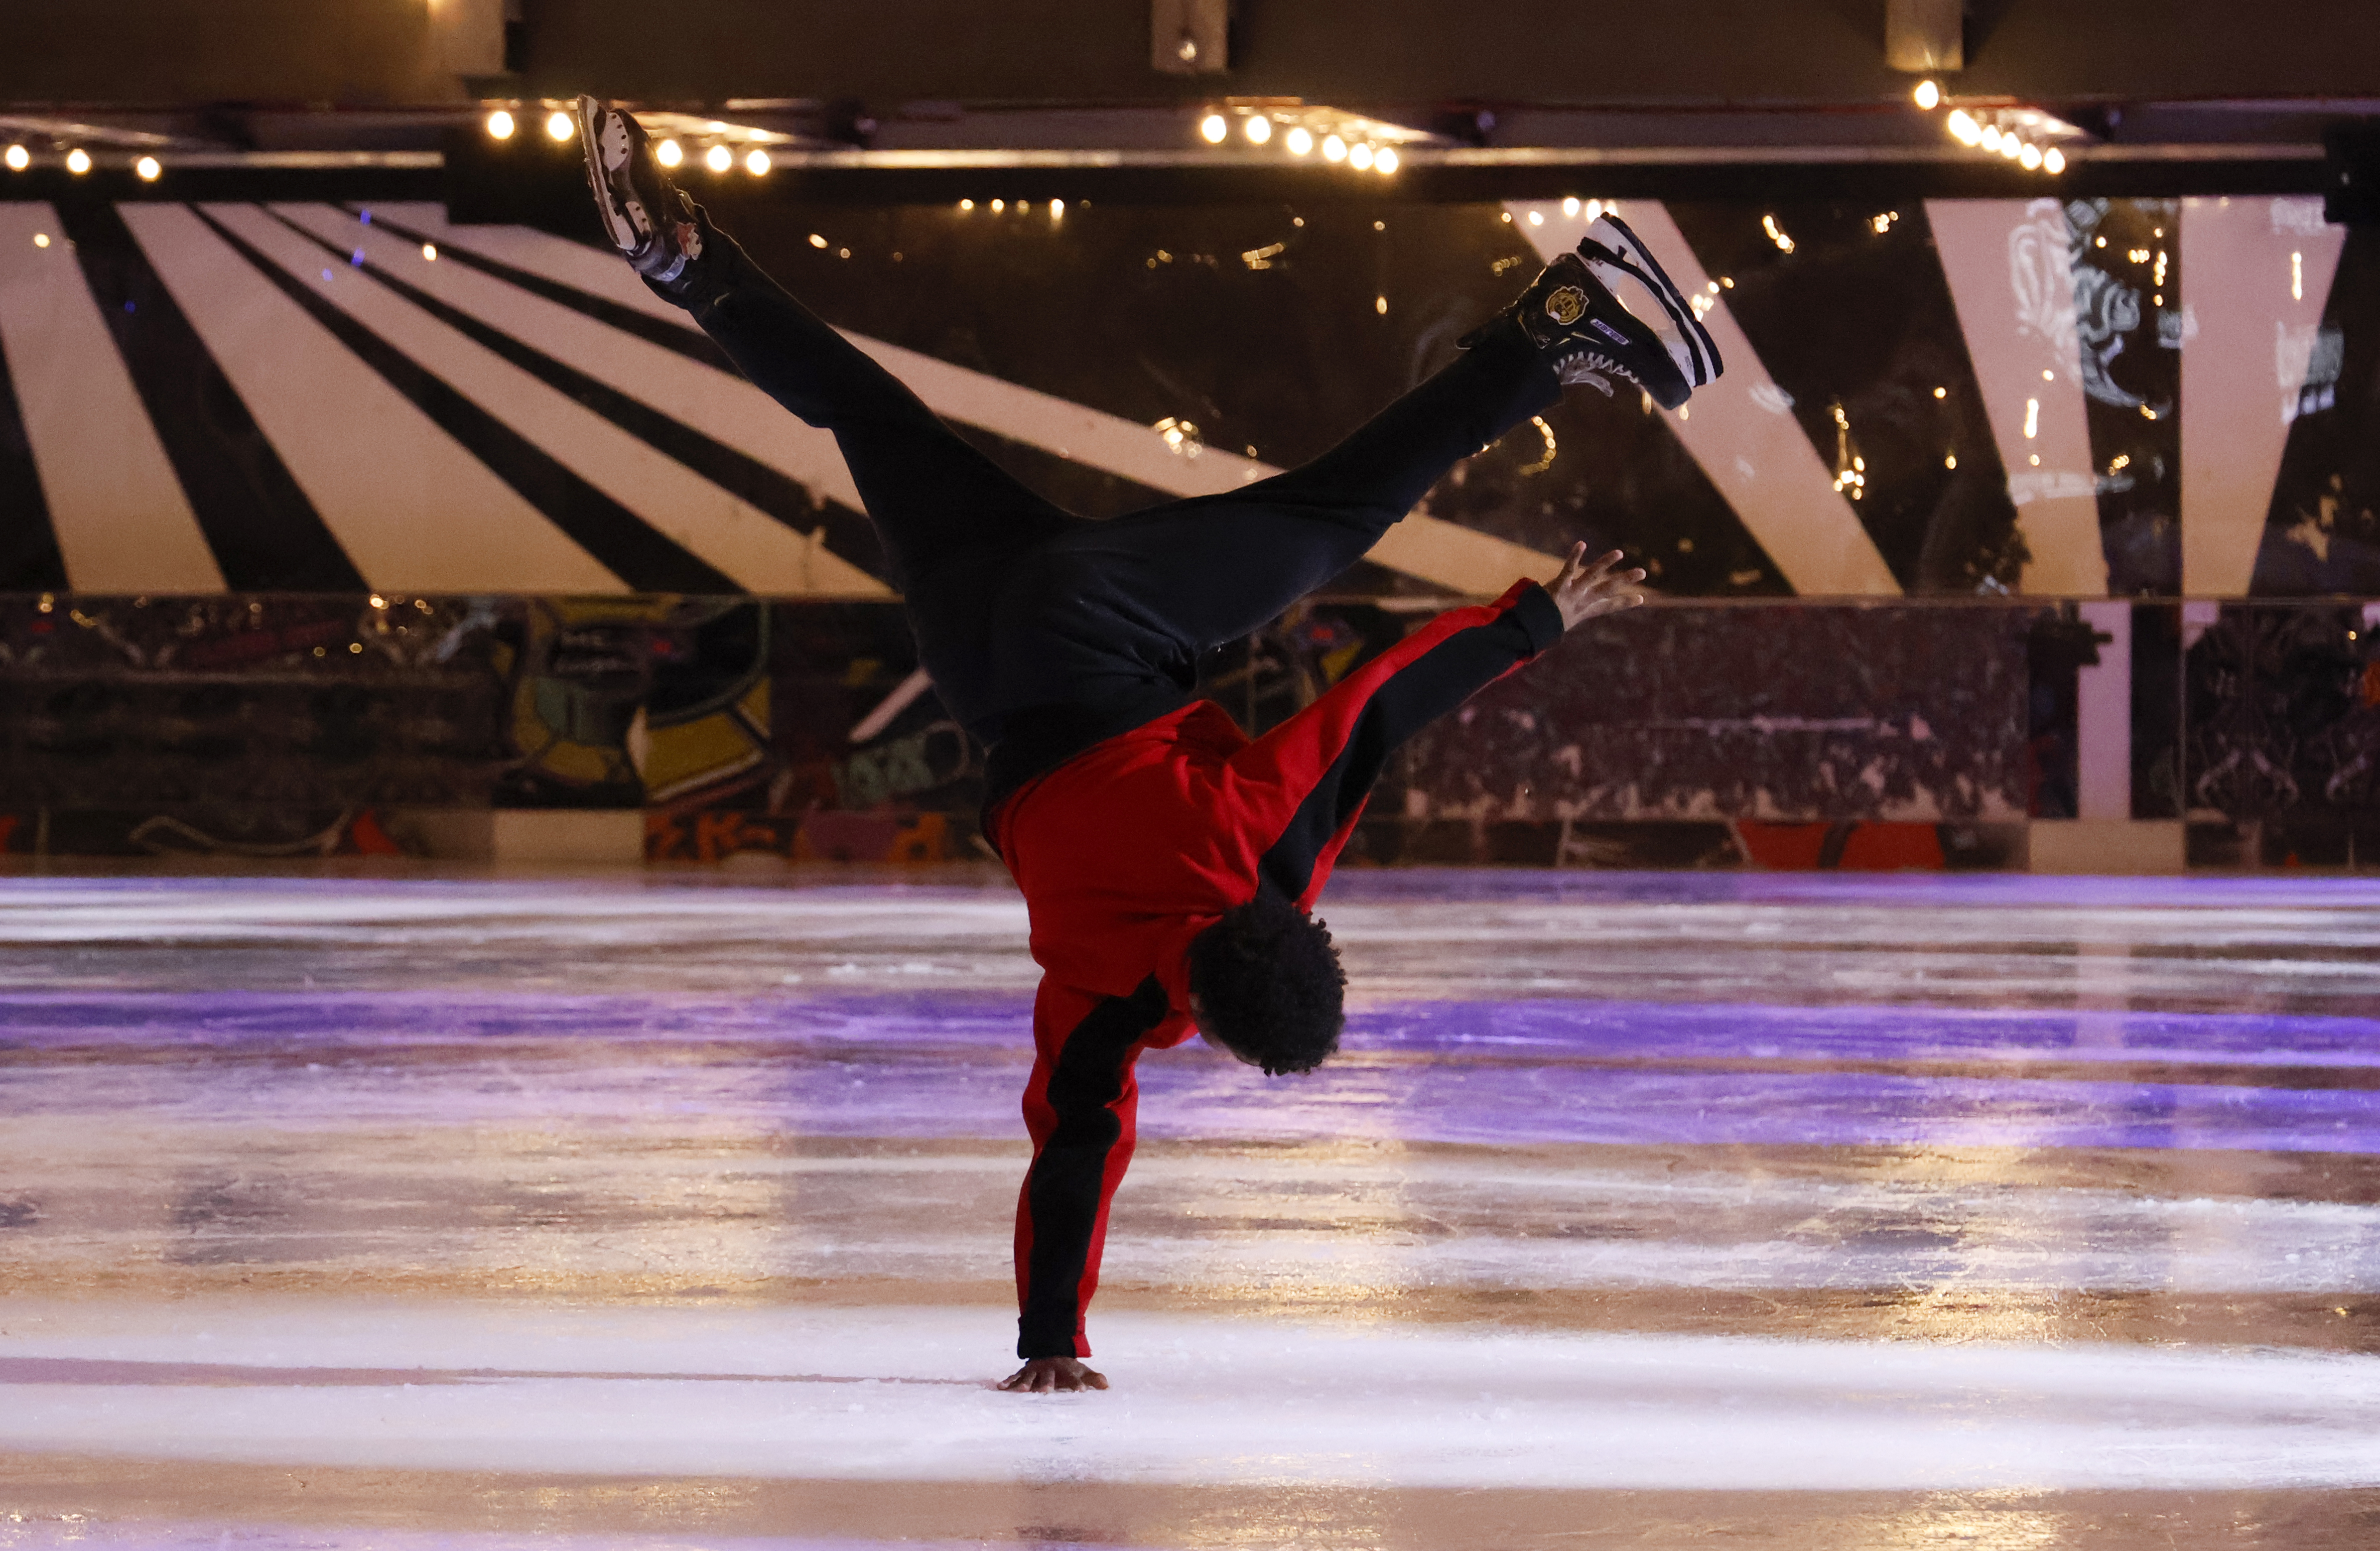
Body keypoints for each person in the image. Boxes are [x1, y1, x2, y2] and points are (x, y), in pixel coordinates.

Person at [575, 99, 1720, 1392]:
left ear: (1294, 934)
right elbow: (1075, 1148)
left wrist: (1537, 619)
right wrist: (1049, 1340)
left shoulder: (1260, 860)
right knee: (867, 419)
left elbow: (1381, 702)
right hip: (980, 659)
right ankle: (693, 269)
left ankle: (1564, 325)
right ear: (1208, 1022)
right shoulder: (1107, 1010)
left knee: (1330, 516)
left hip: (1097, 632)